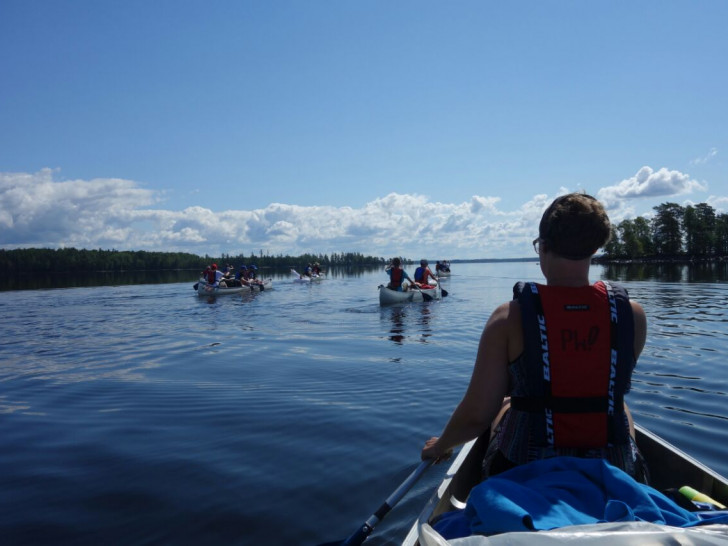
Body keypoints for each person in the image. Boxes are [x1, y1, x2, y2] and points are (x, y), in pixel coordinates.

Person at [421, 192, 648, 481]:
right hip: (612, 471)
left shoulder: (508, 318)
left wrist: (441, 445)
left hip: (524, 471)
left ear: (543, 246)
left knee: (505, 404)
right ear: (595, 248)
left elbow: (477, 415)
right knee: (618, 403)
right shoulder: (632, 314)